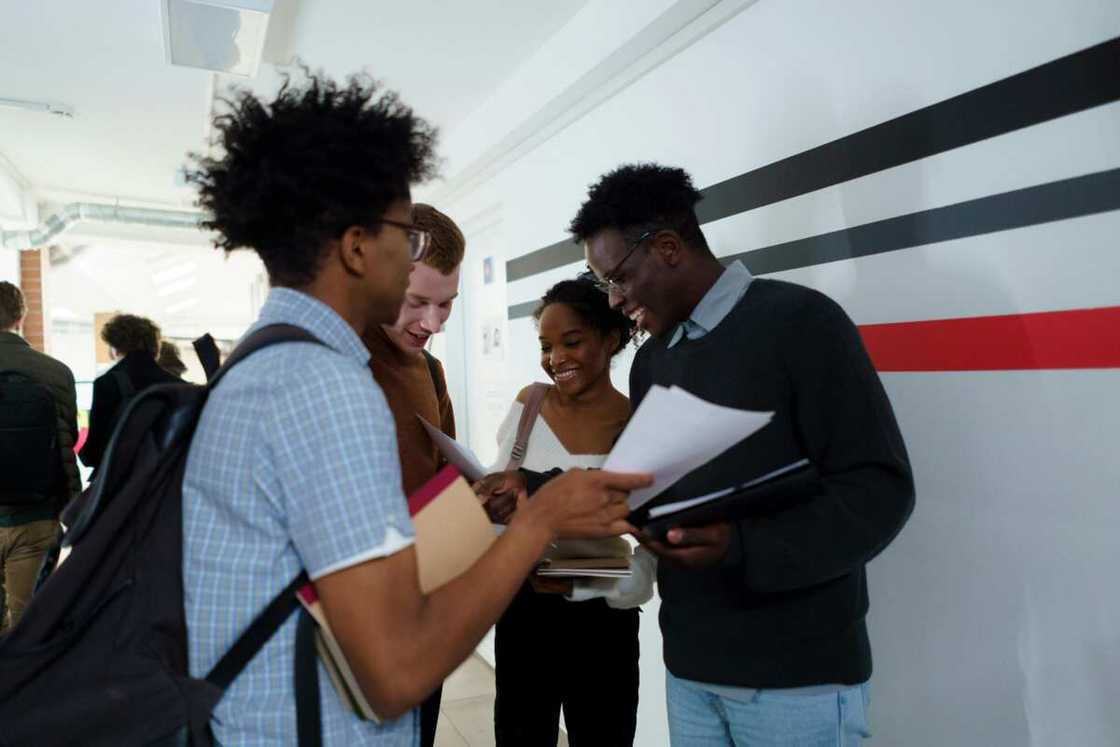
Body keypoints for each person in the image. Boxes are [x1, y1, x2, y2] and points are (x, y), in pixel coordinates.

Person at [181, 68, 650, 745]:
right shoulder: (330, 385)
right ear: (357, 246)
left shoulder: (265, 359)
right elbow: (393, 669)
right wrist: (537, 520)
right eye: (404, 234)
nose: (412, 268)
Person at [573, 163, 916, 746]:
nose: (613, 300)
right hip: (690, 668)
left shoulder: (803, 324)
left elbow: (880, 490)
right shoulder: (651, 361)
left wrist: (742, 546)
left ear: (668, 247)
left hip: (796, 679)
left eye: (620, 279)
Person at [486, 276, 655, 747]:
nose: (555, 358)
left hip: (603, 628)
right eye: (546, 345)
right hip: (523, 618)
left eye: (572, 342)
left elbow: (648, 554)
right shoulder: (529, 403)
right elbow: (498, 505)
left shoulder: (637, 422)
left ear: (611, 337)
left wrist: (581, 575)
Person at [361, 202, 463, 747]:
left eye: (447, 305)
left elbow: (447, 476)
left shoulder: (429, 367)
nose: (432, 324)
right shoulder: (330, 359)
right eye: (417, 302)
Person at [0, 281, 80, 632]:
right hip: (36, 515)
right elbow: (70, 440)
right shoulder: (56, 372)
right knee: (27, 624)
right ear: (21, 317)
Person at [79, 314, 179, 471]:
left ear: (115, 348)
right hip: (166, 479)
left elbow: (93, 453)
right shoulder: (179, 386)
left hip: (123, 482)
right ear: (155, 347)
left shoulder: (108, 384)